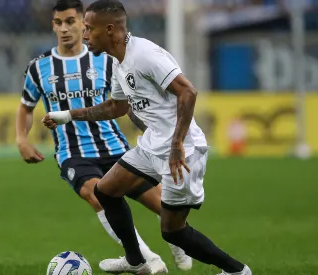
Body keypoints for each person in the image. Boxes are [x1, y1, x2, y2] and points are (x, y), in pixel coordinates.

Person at [42, 0, 252, 274]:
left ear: (109, 30)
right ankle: (135, 260)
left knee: (173, 232)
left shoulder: (145, 55)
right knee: (105, 190)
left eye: (88, 29)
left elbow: (188, 92)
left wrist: (177, 144)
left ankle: (236, 270)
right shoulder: (118, 60)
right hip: (153, 145)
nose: (84, 36)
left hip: (183, 151)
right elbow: (116, 107)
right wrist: (68, 115)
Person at [15, 0, 192, 273]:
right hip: (73, 152)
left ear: (83, 23)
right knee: (97, 195)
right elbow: (26, 107)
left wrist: (154, 131)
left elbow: (125, 103)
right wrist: (22, 139)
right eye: (58, 23)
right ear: (52, 26)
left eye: (71, 22)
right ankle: (144, 259)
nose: (64, 29)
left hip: (114, 146)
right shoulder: (39, 68)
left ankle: (178, 242)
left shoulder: (106, 59)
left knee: (161, 202)